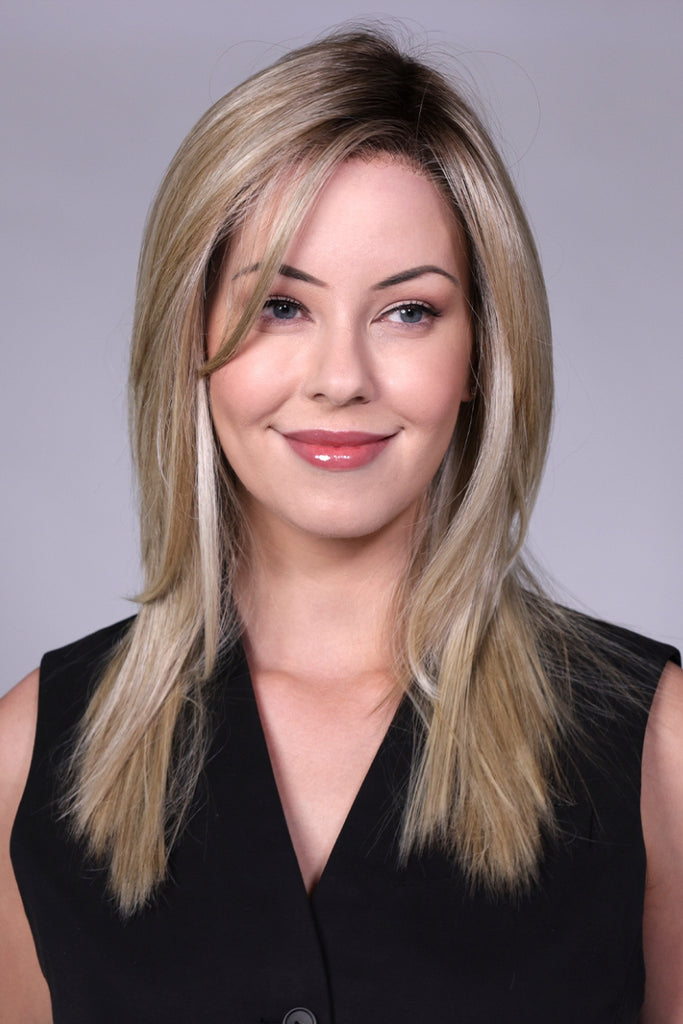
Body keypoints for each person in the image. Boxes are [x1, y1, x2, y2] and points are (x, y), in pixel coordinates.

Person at [1, 27, 681, 1024]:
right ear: (191, 337)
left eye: (406, 311)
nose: (340, 377)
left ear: (480, 356)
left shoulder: (656, 748)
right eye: (281, 305)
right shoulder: (28, 752)